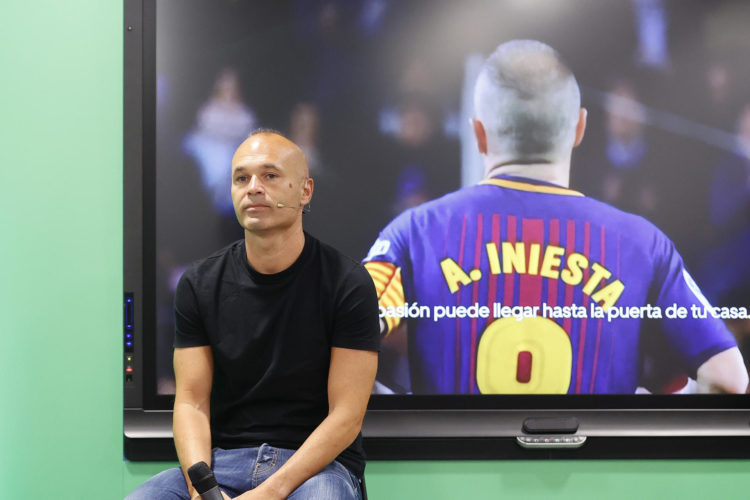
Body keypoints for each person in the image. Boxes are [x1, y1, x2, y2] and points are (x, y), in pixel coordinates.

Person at [363, 39, 748, 395]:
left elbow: (330, 343)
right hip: (599, 469)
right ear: (580, 128)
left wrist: (399, 412)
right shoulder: (643, 244)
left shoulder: (412, 235)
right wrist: (643, 414)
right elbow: (729, 379)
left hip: (443, 469)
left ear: (479, 134)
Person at [126, 130, 380, 499]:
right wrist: (203, 490)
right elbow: (191, 402)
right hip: (220, 463)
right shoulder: (198, 283)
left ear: (305, 191)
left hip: (316, 469)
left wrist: (271, 491)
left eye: (270, 176)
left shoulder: (348, 283)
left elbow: (346, 417)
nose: (253, 187)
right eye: (241, 178)